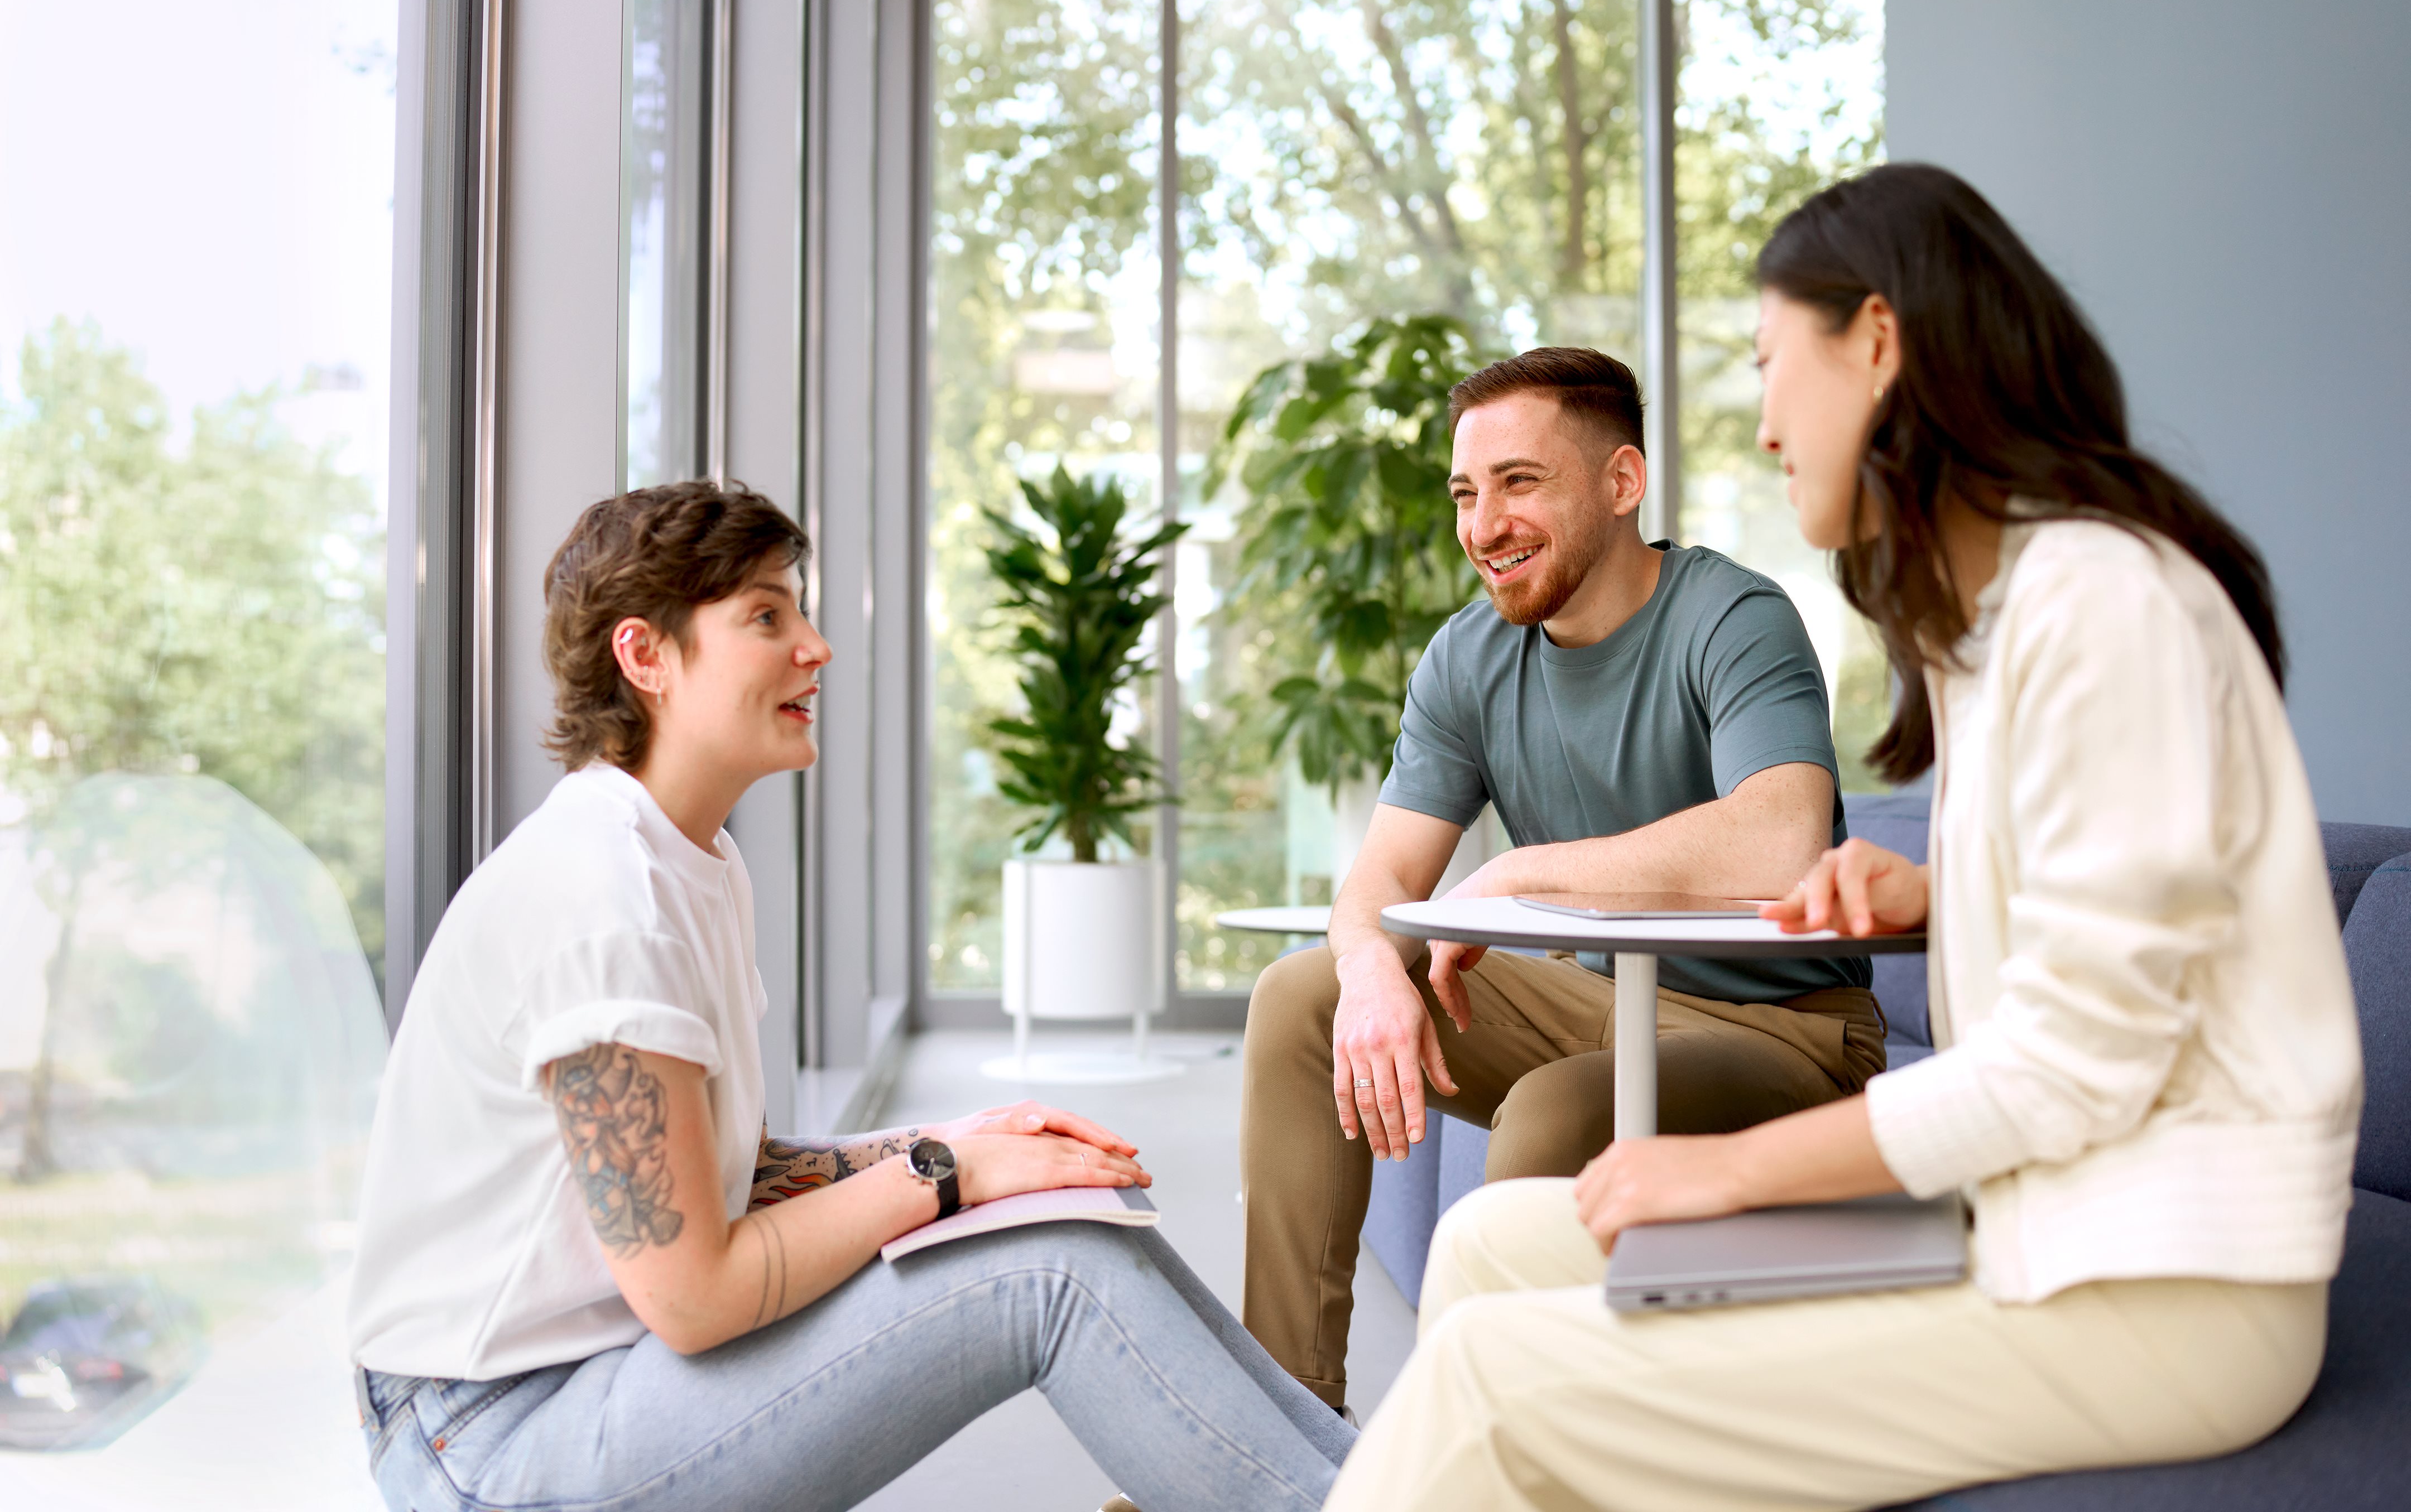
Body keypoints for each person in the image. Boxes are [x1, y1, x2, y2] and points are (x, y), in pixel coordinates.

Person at [1324, 163, 2362, 1511]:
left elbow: (2069, 1069)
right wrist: (1936, 887)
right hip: (2037, 1214)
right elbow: (2132, 920)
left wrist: (1730, 1170)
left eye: (1771, 367)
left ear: (1878, 342)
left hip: (2163, 1278)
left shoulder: (2104, 608)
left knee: (1493, 1377)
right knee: (1497, 1249)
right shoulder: (2001, 624)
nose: (1763, 428)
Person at [346, 482, 1354, 1512]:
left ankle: (1380, 1483)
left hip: (586, 1379)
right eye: (766, 617)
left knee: (1073, 1201)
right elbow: (696, 1295)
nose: (815, 647)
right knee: (1049, 1273)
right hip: (490, 1444)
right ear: (644, 657)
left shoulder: (693, 860)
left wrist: (972, 1143)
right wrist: (944, 1169)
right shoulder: (602, 899)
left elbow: (723, 1180)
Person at [1242, 345, 1884, 1411]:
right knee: (1302, 995)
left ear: (1622, 484)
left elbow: (1782, 839)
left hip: (1789, 1033)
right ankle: (1275, 1438)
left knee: (1557, 1110)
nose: (1483, 526)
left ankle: (1480, 1461)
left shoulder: (1734, 619)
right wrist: (1366, 974)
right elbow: (1376, 889)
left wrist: (1518, 876)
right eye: (1466, 493)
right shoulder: (1468, 660)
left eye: (1520, 483)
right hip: (1594, 1000)